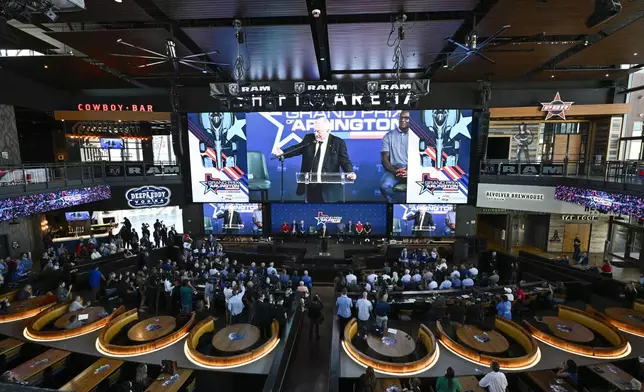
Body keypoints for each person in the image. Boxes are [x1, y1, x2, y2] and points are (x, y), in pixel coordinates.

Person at [272, 117, 356, 202]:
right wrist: (283, 153)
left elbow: (344, 161)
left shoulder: (337, 142)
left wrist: (350, 172)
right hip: (311, 186)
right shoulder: (309, 138)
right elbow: (297, 148)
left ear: (328, 130)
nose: (316, 134)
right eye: (314, 131)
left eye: (318, 131)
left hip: (329, 188)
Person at [380, 110, 409, 203]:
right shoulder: (388, 136)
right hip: (394, 169)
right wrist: (396, 171)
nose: (403, 120)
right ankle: (395, 205)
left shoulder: (417, 136)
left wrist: (409, 171)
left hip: (412, 170)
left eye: (406, 118)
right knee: (384, 186)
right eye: (401, 117)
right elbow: (384, 159)